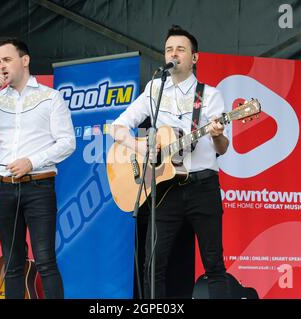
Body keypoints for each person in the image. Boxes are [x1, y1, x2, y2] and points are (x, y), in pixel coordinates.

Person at [109, 25, 231, 298]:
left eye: (180, 49)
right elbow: (116, 127)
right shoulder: (155, 88)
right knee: (153, 265)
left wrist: (217, 135)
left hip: (203, 186)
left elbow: (222, 148)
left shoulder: (209, 96)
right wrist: (139, 146)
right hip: (166, 190)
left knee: (214, 263)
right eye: (168, 50)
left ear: (194, 57)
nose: (173, 54)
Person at [0, 37, 75, 299]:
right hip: (4, 189)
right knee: (12, 264)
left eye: (7, 59)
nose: (2, 66)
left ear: (24, 61)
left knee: (45, 260)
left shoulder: (50, 98)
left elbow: (68, 143)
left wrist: (32, 161)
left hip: (39, 185)